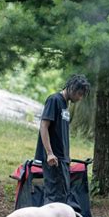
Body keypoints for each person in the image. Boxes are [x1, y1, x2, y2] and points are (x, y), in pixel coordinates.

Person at [34, 74, 90, 208]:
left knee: (62, 196)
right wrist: (49, 153)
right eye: (79, 94)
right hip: (53, 158)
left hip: (62, 158)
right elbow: (44, 126)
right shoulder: (54, 100)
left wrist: (66, 157)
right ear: (71, 88)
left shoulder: (65, 104)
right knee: (53, 197)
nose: (80, 98)